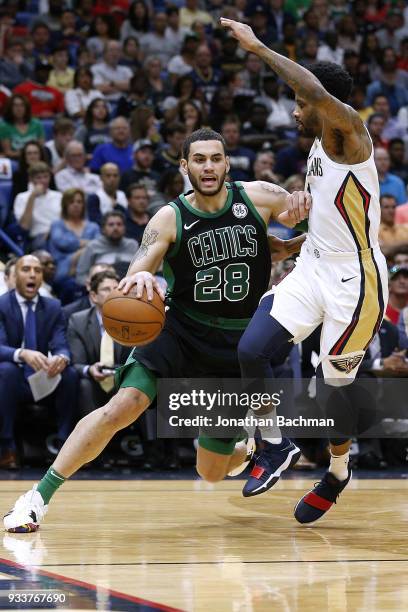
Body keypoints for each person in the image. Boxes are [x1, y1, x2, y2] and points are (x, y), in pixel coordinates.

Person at [3, 128, 309, 532]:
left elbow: (304, 216)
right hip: (180, 331)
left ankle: (250, 448)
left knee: (213, 471)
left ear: (226, 163)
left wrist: (302, 209)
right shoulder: (169, 217)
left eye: (215, 158)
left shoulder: (259, 196)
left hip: (236, 345)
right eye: (198, 159)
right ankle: (36, 497)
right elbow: (134, 272)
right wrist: (142, 281)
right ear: (185, 166)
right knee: (121, 406)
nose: (208, 166)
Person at [219, 18, 388, 522]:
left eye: (299, 104)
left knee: (331, 395)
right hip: (314, 264)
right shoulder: (318, 143)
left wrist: (256, 46)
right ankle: (274, 444)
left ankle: (337, 472)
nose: (294, 112)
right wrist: (289, 244)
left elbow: (310, 88)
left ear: (323, 104)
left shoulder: (350, 135)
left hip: (355, 283)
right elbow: (332, 217)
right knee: (252, 349)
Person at [0, 255, 78, 470]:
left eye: (38, 270)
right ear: (14, 276)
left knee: (70, 373)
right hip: (14, 379)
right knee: (6, 370)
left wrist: (61, 358)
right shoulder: (2, 305)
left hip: (43, 378)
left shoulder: (53, 306)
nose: (33, 274)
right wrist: (22, 353)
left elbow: (61, 343)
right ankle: (7, 447)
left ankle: (65, 446)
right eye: (26, 269)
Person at [68, 270, 131, 417]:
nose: (113, 292)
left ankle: (152, 440)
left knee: (141, 384)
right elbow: (77, 363)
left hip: (124, 380)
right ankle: (90, 437)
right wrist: (90, 369)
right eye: (106, 289)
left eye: (116, 289)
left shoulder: (133, 319)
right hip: (94, 382)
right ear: (94, 296)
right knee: (84, 385)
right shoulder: (78, 321)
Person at [49, 188, 100, 289]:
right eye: (71, 202)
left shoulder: (93, 226)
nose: (76, 205)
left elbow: (99, 247)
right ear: (65, 205)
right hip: (63, 268)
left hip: (90, 268)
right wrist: (85, 245)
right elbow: (62, 243)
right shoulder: (57, 224)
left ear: (83, 205)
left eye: (79, 202)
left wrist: (80, 252)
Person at [76, 211, 139, 286]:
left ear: (124, 228)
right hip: (102, 289)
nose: (115, 228)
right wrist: (94, 286)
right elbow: (81, 276)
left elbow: (141, 270)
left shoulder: (132, 245)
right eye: (111, 225)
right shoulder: (92, 247)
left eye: (119, 224)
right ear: (103, 229)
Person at [13, 162, 62, 250]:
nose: (43, 181)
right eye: (38, 178)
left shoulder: (59, 196)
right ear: (31, 179)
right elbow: (24, 226)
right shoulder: (22, 198)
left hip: (60, 235)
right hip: (37, 238)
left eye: (46, 177)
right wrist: (32, 197)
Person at [0, 94, 44, 159]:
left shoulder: (37, 124)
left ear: (26, 107)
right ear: (10, 108)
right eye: (15, 106)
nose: (19, 109)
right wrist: (27, 155)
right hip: (15, 160)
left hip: (36, 160)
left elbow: (40, 148)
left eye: (22, 105)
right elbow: (8, 152)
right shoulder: (4, 126)